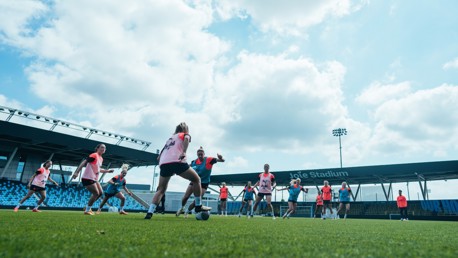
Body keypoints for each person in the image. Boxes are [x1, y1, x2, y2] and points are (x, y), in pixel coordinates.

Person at [144, 122, 211, 219]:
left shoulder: (169, 139)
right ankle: (198, 206)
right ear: (185, 129)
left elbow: (159, 156)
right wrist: (184, 152)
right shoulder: (184, 134)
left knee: (161, 189)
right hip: (177, 161)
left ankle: (149, 212)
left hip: (163, 163)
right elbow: (187, 138)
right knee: (196, 180)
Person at [176, 146, 225, 217]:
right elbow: (186, 167)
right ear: (197, 155)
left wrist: (221, 158)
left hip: (204, 183)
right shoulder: (194, 162)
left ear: (204, 154)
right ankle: (182, 208)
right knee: (186, 197)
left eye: (201, 154)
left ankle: (187, 212)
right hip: (194, 181)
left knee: (197, 200)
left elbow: (222, 160)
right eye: (199, 154)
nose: (200, 156)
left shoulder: (208, 160)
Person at [71, 143, 114, 215]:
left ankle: (87, 207)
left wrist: (107, 171)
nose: (104, 149)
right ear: (97, 148)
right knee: (96, 193)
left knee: (100, 193)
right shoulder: (94, 155)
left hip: (94, 178)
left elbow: (98, 169)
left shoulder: (101, 158)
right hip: (88, 177)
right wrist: (76, 172)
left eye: (105, 148)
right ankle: (87, 210)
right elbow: (84, 162)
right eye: (102, 147)